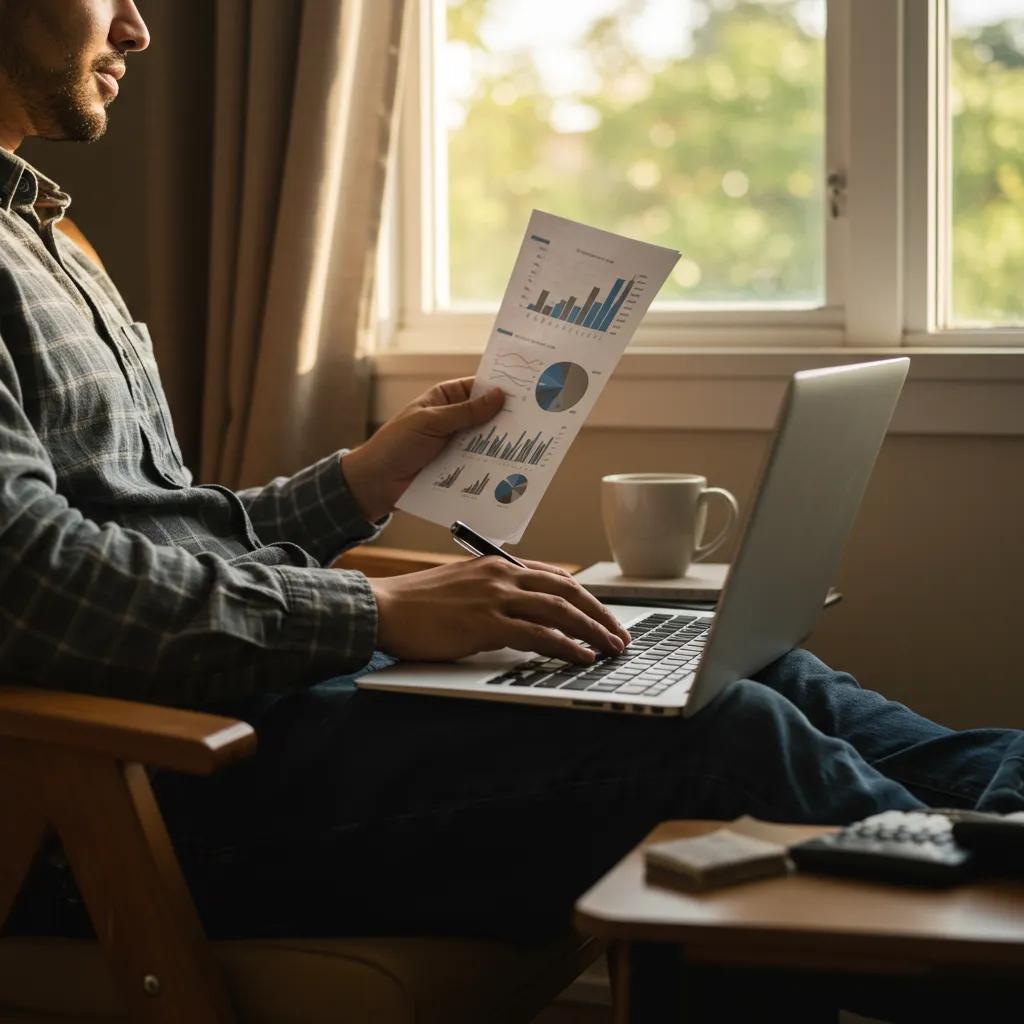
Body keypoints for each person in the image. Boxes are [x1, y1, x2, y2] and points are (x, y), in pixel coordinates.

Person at [1, 0, 1022, 946]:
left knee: (745, 667)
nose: (137, 29)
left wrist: (360, 481)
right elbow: (30, 583)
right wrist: (376, 613)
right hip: (135, 789)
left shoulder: (45, 232)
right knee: (721, 734)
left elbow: (155, 535)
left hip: (257, 704)